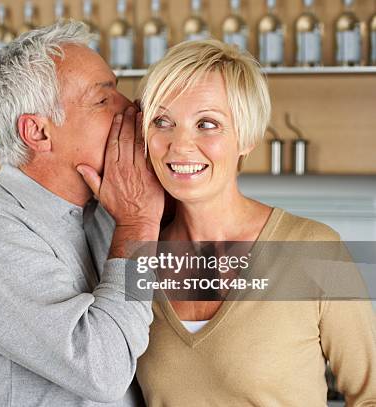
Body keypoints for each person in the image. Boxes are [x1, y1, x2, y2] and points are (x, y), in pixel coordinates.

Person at [133, 38, 376, 406]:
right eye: (162, 121)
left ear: (246, 136)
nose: (180, 145)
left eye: (207, 124)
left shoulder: (318, 250)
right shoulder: (135, 261)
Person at [0, 21, 163, 407]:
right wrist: (138, 225)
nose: (132, 109)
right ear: (37, 133)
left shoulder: (106, 207)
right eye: (103, 99)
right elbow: (103, 370)